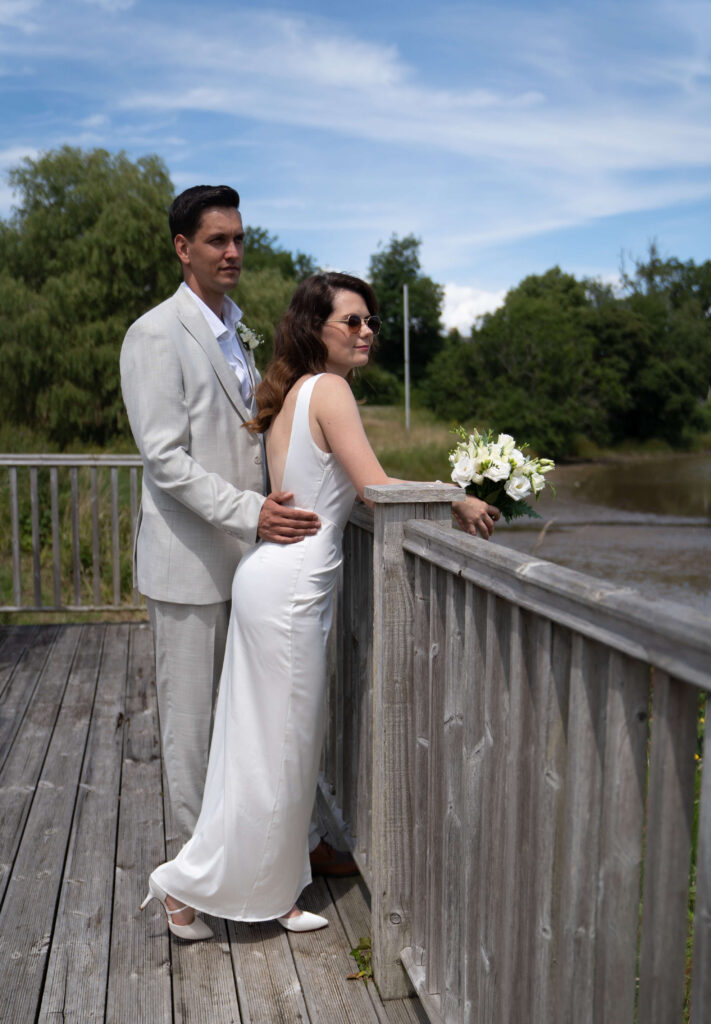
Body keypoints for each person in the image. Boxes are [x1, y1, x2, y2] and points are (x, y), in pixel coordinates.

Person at [140, 272, 499, 939]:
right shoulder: (329, 391)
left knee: (258, 745)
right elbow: (375, 489)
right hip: (293, 589)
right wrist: (457, 495)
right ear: (316, 329)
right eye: (352, 322)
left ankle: (215, 891)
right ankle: (207, 886)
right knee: (281, 747)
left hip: (269, 579)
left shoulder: (294, 392)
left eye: (370, 323)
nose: (366, 333)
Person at [120, 185, 321, 850]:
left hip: (248, 561)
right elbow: (166, 459)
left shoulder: (239, 329)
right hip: (190, 563)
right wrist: (251, 514)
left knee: (244, 718)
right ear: (183, 249)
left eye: (238, 238)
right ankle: (186, 878)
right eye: (216, 240)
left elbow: (248, 432)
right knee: (190, 727)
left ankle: (242, 854)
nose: (233, 251)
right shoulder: (153, 334)